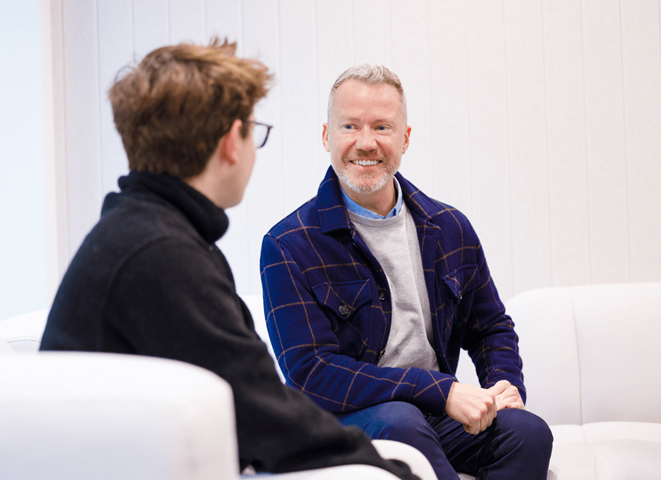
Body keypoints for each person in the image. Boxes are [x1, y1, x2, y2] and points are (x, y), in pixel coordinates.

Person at [40, 41, 421, 479]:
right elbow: (262, 414)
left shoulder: (143, 233)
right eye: (254, 131)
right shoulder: (161, 255)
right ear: (230, 143)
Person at [259, 64, 553, 479]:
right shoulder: (288, 245)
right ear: (327, 136)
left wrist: (504, 386)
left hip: (435, 413)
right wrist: (440, 389)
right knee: (400, 422)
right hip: (346, 421)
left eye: (382, 126)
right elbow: (312, 372)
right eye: (349, 126)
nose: (366, 143)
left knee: (529, 433)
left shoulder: (450, 227)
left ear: (404, 138)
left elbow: (491, 328)